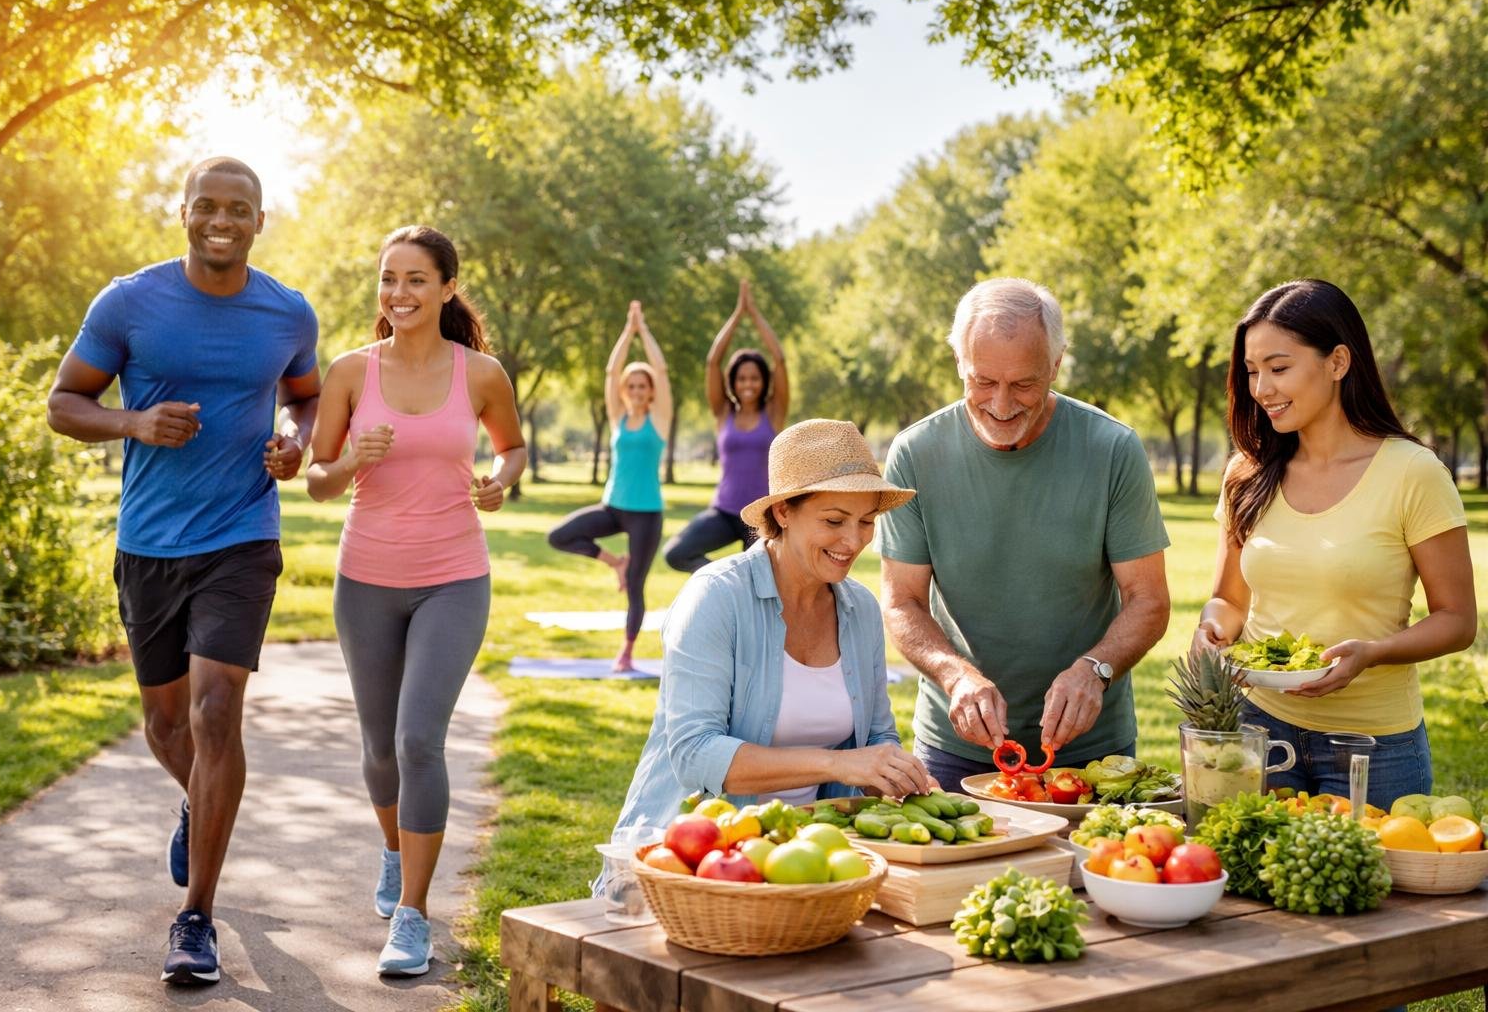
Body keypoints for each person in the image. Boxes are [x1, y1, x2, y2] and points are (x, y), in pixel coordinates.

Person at [46, 157, 320, 986]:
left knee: (213, 715)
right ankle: (202, 801)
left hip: (242, 536)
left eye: (240, 208)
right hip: (150, 544)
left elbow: (305, 396)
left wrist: (295, 440)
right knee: (166, 727)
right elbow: (64, 402)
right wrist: (133, 420)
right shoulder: (129, 301)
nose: (222, 220)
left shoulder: (287, 310)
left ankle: (194, 916)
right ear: (184, 212)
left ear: (259, 220)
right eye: (208, 206)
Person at [306, 225, 526, 976]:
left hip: (455, 576)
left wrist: (501, 479)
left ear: (447, 288)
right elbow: (315, 479)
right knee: (377, 750)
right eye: (388, 280)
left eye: (415, 280)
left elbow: (512, 446)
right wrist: (348, 461)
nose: (398, 294)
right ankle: (396, 851)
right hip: (365, 578)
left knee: (417, 741)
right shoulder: (348, 372)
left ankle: (413, 915)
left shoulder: (482, 373)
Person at [879, 277, 1171, 792]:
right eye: (983, 381)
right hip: (955, 748)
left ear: (1056, 366)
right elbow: (902, 602)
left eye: (1024, 384)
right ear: (958, 364)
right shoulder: (914, 454)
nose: (1001, 403)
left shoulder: (1112, 449)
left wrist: (1094, 670)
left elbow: (1148, 599)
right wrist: (955, 676)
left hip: (1091, 753)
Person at [1191, 279, 1475, 808]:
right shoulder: (1247, 472)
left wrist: (1372, 653)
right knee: (1253, 889)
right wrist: (1211, 629)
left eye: (1279, 368)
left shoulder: (1413, 473)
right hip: (1261, 732)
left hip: (1374, 747)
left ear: (1338, 362)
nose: (1261, 389)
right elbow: (1229, 600)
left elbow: (1458, 620)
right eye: (1252, 372)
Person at [609, 419, 936, 850]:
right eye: (835, 520)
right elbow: (694, 753)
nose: (854, 541)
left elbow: (876, 737)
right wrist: (839, 765)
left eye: (866, 521)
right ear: (783, 512)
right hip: (694, 856)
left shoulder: (859, 610)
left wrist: (892, 773)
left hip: (807, 854)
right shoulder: (715, 597)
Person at [547, 301, 671, 672]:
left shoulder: (659, 419)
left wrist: (643, 331)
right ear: (623, 390)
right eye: (630, 385)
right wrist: (626, 331)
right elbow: (610, 369)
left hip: (646, 512)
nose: (635, 389)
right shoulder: (617, 418)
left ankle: (627, 652)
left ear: (650, 392)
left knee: (636, 585)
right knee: (560, 535)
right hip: (613, 507)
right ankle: (615, 561)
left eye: (642, 385)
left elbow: (662, 371)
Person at [663, 280, 789, 571]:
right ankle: (727, 581)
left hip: (760, 516)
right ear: (733, 381)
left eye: (754, 378)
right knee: (676, 553)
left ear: (764, 381)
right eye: (742, 378)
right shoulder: (723, 412)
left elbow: (779, 360)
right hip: (723, 510)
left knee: (765, 582)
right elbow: (712, 362)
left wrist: (754, 314)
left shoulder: (774, 411)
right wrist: (736, 315)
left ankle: (742, 595)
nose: (748, 384)